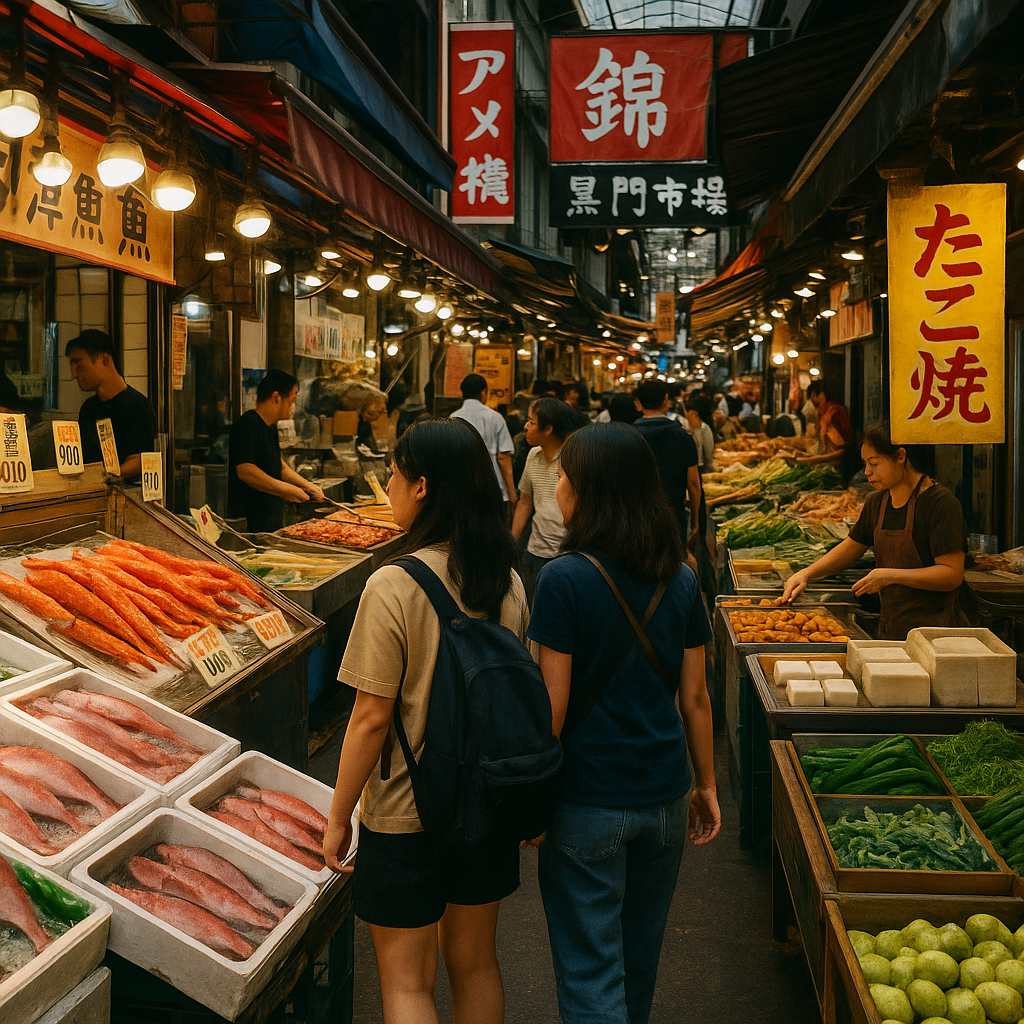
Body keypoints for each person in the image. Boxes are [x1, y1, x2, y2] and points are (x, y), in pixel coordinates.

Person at [323, 417, 529, 1024]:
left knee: (408, 987)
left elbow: (369, 719)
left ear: (421, 487)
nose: (387, 484)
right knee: (477, 966)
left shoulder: (392, 584)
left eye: (393, 471)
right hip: (486, 801)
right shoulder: (507, 582)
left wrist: (339, 816)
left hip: (405, 810)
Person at [527, 422, 720, 1024]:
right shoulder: (682, 576)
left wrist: (532, 800)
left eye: (564, 477)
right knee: (638, 961)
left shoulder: (564, 578)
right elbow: (696, 699)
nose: (557, 486)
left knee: (591, 972)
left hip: (587, 800)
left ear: (592, 491)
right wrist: (706, 785)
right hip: (664, 797)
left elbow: (549, 711)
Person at [781, 424, 967, 639]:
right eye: (865, 464)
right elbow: (852, 546)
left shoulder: (939, 503)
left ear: (900, 457)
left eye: (874, 463)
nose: (867, 472)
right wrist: (806, 573)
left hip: (935, 633)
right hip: (891, 627)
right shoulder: (877, 502)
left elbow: (952, 574)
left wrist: (889, 575)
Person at [227, 369, 324, 533]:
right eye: (291, 402)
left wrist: (307, 485)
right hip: (249, 522)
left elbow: (279, 466)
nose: (292, 408)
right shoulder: (248, 424)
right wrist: (287, 490)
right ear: (277, 398)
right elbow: (245, 471)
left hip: (269, 520)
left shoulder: (269, 427)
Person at [66, 329, 156, 480]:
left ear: (104, 359)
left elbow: (139, 460)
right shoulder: (88, 408)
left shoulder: (137, 406)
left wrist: (105, 478)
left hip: (123, 497)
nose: (74, 374)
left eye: (79, 365)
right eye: (72, 366)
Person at [512, 398, 578, 605]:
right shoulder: (533, 455)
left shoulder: (574, 458)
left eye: (531, 422)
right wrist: (512, 540)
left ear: (548, 428)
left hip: (568, 551)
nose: (526, 426)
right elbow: (525, 502)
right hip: (535, 550)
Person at [632, 380, 700, 571]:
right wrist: (695, 521)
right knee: (677, 567)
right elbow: (693, 484)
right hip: (673, 515)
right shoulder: (683, 437)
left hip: (634, 518)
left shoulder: (627, 436)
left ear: (639, 403)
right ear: (666, 400)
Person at [451, 374, 517, 518]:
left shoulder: (452, 419)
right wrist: (512, 495)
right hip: (492, 489)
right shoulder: (495, 418)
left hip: (460, 491)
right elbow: (503, 458)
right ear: (483, 392)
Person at [799, 380, 853, 469]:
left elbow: (842, 450)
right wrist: (808, 456)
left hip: (837, 468)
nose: (812, 400)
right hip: (827, 466)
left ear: (822, 395)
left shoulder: (834, 413)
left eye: (813, 395)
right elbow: (825, 449)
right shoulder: (823, 414)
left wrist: (813, 460)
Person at [684, 392, 715, 473]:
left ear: (695, 412)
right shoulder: (684, 426)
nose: (686, 414)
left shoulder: (704, 428)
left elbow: (708, 457)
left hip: (699, 468)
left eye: (689, 410)